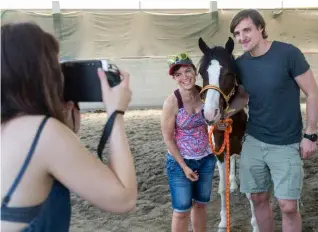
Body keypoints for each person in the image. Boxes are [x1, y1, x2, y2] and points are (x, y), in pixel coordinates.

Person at [1, 22, 137, 232]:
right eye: (56, 66)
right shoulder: (43, 132)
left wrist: (66, 131)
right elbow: (124, 198)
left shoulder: (15, 127)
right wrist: (116, 113)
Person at [228, 9, 318, 232]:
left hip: (286, 143)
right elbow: (240, 98)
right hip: (254, 141)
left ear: (261, 28)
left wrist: (310, 134)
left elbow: (313, 93)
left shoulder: (288, 54)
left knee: (288, 206)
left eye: (247, 30)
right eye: (237, 34)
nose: (242, 37)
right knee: (257, 198)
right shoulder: (240, 65)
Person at [161, 53, 216, 232]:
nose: (185, 77)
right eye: (178, 74)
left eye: (188, 71)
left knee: (201, 205)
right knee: (181, 211)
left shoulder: (206, 94)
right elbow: (168, 139)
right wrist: (184, 166)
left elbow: (214, 120)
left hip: (206, 158)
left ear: (195, 71)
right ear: (174, 78)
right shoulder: (171, 102)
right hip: (181, 163)